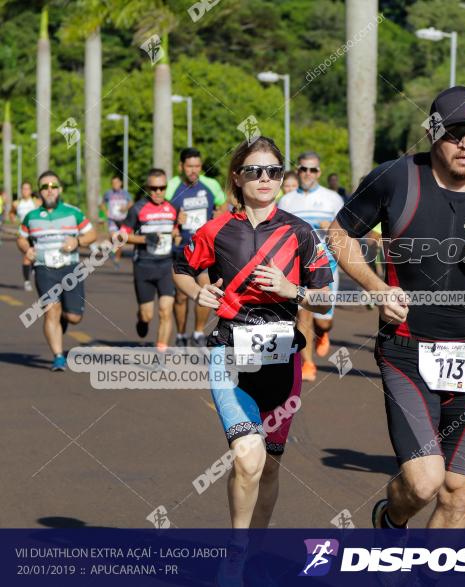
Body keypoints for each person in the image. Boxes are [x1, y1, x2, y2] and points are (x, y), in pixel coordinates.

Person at [328, 86, 465, 529]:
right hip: (406, 351)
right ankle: (390, 519)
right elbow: (339, 234)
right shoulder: (396, 178)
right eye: (454, 132)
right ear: (431, 132)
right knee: (424, 482)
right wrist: (377, 287)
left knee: (457, 491)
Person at [173, 136, 332, 537]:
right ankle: (238, 550)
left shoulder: (301, 232)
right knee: (247, 458)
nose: (265, 178)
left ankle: (255, 546)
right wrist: (199, 291)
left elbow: (325, 298)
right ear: (237, 178)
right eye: (254, 171)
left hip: (283, 360)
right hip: (230, 353)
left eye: (274, 171)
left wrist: (290, 289)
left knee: (270, 465)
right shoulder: (217, 230)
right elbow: (181, 267)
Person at [17, 171, 97, 371]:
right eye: (45, 187)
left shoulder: (73, 212)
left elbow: (92, 234)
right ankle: (58, 357)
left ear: (60, 189)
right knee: (51, 310)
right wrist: (27, 249)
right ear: (39, 192)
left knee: (74, 318)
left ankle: (64, 318)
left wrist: (77, 241)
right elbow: (21, 237)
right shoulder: (31, 217)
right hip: (44, 269)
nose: (49, 190)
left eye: (53, 186)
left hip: (71, 269)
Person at [278, 151, 346, 381]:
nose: (308, 174)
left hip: (327, 267)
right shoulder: (286, 201)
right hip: (298, 267)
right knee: (303, 315)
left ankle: (324, 333)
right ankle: (308, 364)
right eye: (304, 169)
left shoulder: (333, 199)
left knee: (323, 321)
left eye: (313, 170)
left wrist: (332, 230)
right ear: (298, 170)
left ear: (319, 172)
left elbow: (345, 235)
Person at [166, 147, 227, 347]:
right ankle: (181, 334)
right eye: (190, 166)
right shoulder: (172, 186)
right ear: (181, 166)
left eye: (197, 166)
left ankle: (199, 331)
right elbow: (163, 212)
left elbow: (224, 206)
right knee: (181, 296)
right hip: (181, 248)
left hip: (205, 249)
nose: (194, 170)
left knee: (205, 290)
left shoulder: (211, 185)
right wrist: (175, 221)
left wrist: (219, 216)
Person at [119, 169, 178, 351]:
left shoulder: (172, 208)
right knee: (148, 315)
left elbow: (176, 232)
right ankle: (141, 320)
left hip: (166, 265)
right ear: (147, 188)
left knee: (166, 311)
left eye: (162, 187)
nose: (158, 192)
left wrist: (176, 235)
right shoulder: (137, 209)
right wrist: (145, 239)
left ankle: (160, 354)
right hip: (144, 265)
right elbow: (121, 236)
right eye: (154, 188)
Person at [10, 181, 40, 291]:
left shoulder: (36, 202)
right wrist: (13, 219)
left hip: (35, 233)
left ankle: (33, 269)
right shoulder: (17, 203)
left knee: (35, 257)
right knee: (28, 255)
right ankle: (27, 282)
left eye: (27, 189)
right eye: (23, 189)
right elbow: (12, 212)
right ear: (21, 191)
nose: (25, 191)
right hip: (23, 234)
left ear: (31, 191)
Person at [100, 175, 132, 269]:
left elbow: (131, 203)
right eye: (113, 183)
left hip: (122, 220)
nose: (115, 185)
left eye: (117, 183)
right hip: (112, 220)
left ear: (120, 183)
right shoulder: (108, 194)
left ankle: (117, 259)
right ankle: (111, 249)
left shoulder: (125, 193)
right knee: (113, 237)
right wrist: (105, 212)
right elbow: (101, 204)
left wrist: (125, 208)